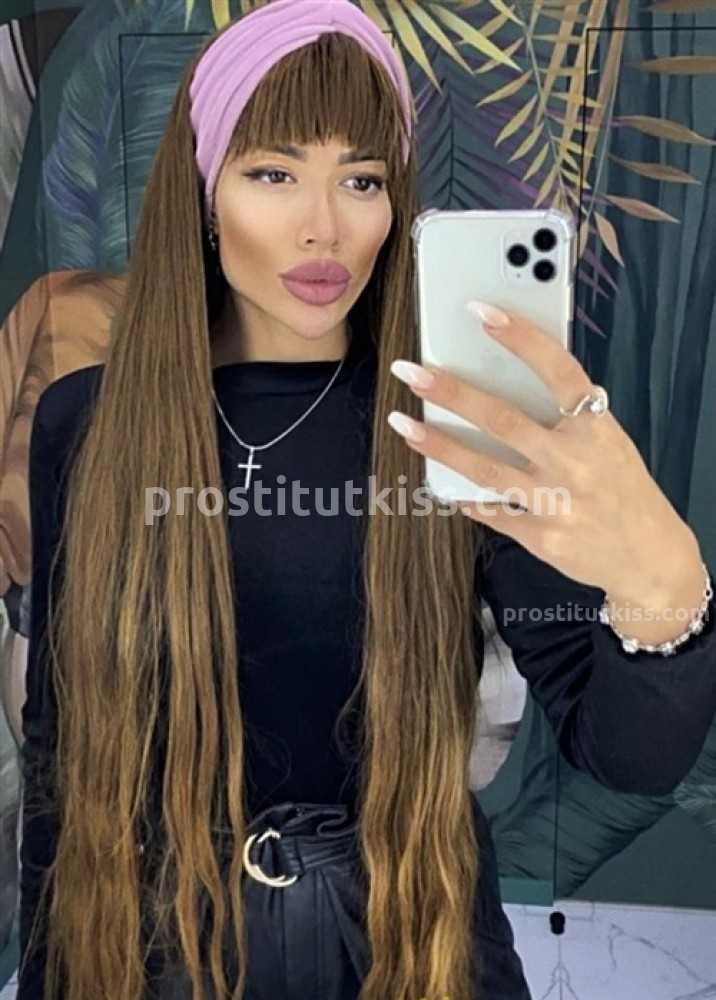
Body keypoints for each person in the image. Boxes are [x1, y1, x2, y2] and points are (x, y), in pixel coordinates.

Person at [17, 1, 716, 999]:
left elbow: (624, 752)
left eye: (362, 178)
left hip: (417, 942)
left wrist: (664, 586)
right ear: (205, 189)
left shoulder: (456, 428)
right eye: (273, 173)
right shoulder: (85, 423)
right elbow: (62, 741)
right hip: (154, 947)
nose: (324, 225)